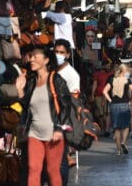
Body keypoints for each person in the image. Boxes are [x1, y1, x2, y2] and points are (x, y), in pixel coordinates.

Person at [15, 45, 71, 186]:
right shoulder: (32, 81)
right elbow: (27, 107)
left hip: (53, 133)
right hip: (34, 133)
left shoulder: (56, 80)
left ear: (46, 60)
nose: (31, 59)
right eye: (31, 57)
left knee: (52, 171)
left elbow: (66, 106)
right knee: (33, 169)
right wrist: (20, 91)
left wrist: (59, 129)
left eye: (35, 57)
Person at [54, 39, 80, 184]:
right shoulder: (52, 70)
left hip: (62, 120)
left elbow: (74, 99)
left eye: (62, 52)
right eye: (56, 52)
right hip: (49, 120)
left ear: (68, 55)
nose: (58, 55)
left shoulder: (72, 75)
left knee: (60, 159)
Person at [103, 64, 132, 156]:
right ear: (124, 71)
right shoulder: (127, 80)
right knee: (126, 126)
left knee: (116, 128)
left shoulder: (111, 79)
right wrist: (131, 101)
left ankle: (118, 150)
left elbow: (104, 91)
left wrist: (110, 100)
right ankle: (123, 142)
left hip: (114, 105)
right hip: (125, 104)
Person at [91, 62, 113, 137]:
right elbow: (95, 84)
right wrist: (92, 94)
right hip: (98, 95)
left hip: (106, 95)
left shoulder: (110, 74)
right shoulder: (97, 74)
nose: (108, 67)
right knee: (100, 114)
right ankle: (103, 128)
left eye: (109, 66)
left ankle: (106, 129)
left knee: (106, 113)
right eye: (107, 65)